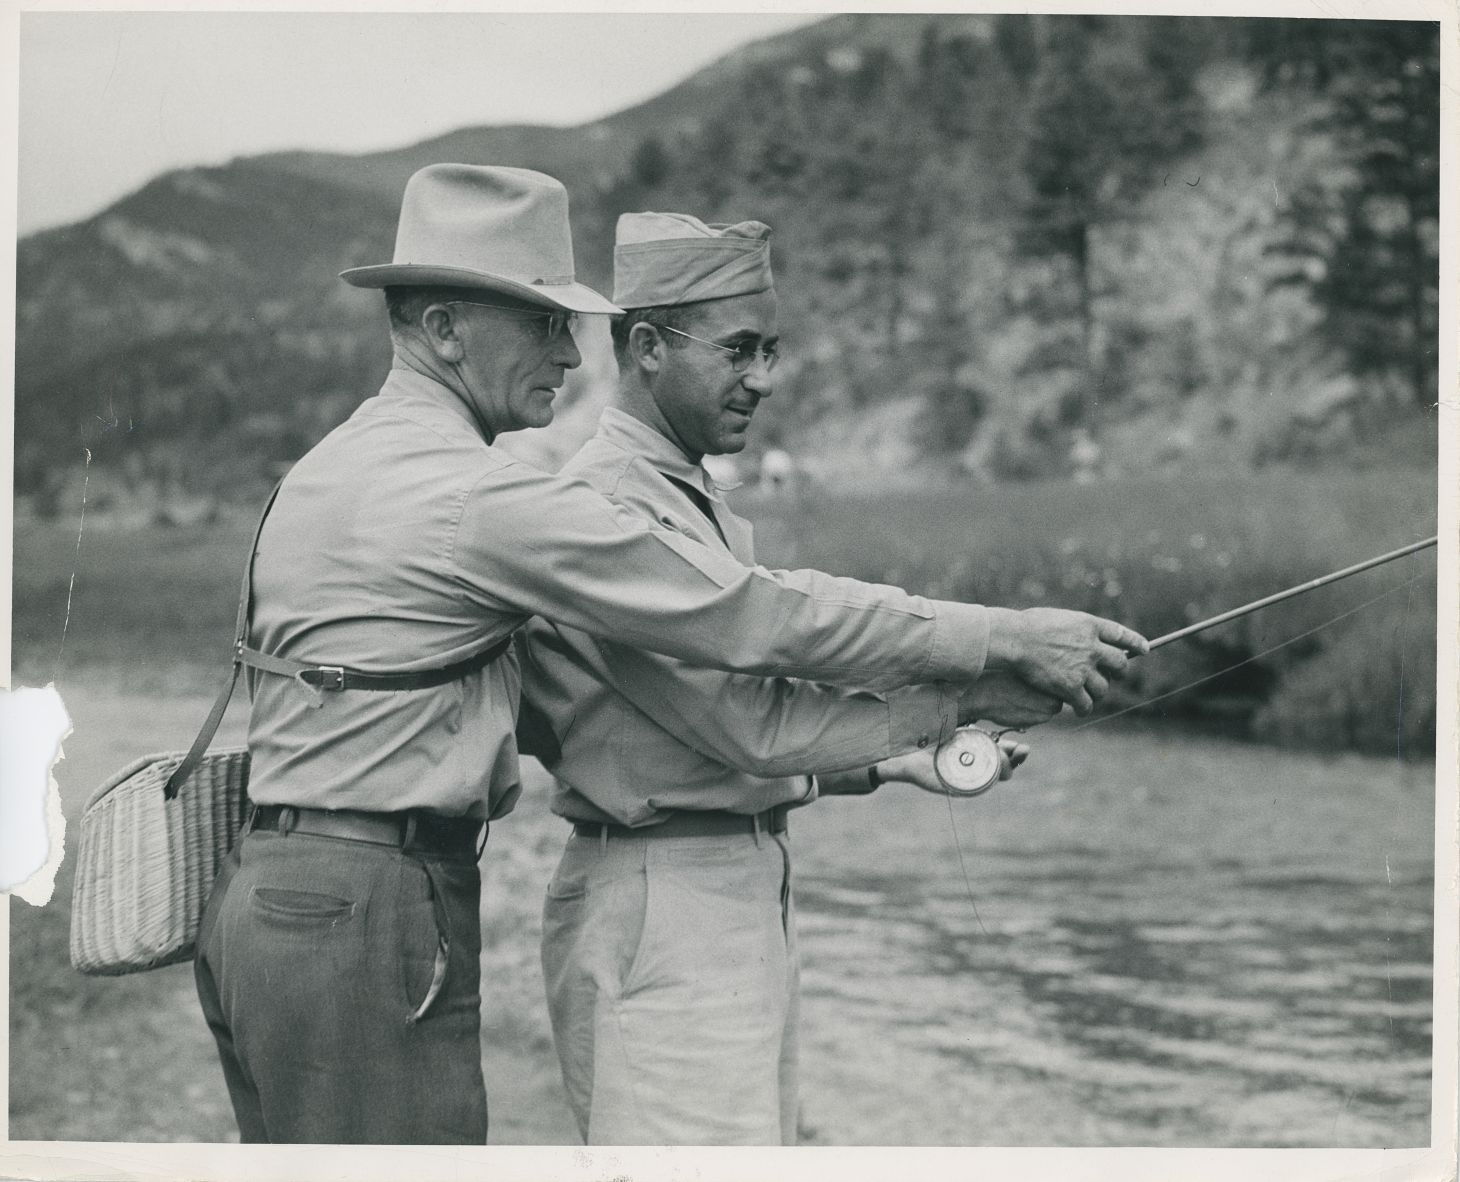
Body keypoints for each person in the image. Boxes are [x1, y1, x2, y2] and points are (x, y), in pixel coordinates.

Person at [192, 164, 1146, 1146]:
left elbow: (641, 723)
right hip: (370, 903)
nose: (571, 352)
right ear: (442, 329)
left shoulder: (333, 465)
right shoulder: (482, 498)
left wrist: (891, 745)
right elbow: (739, 621)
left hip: (273, 898)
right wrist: (992, 645)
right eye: (542, 321)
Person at [515, 212, 1134, 1145]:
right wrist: (978, 670)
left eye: (772, 349)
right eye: (739, 350)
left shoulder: (678, 492)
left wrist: (895, 756)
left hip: (724, 889)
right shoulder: (603, 508)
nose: (764, 377)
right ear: (645, 346)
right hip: (663, 903)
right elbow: (744, 718)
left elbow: (717, 734)